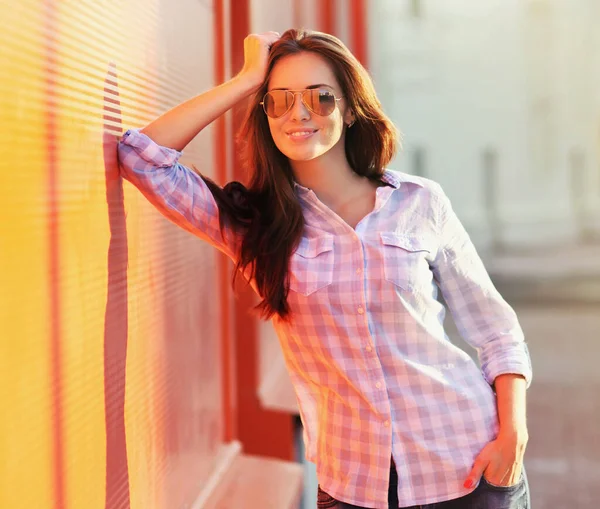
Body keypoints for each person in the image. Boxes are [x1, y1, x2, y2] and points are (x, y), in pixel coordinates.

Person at [117, 29, 532, 509]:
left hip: (468, 466)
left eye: (320, 97)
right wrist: (246, 79)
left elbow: (497, 330)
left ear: (351, 108)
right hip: (354, 485)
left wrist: (513, 434)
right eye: (280, 100)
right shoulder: (254, 225)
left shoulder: (420, 202)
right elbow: (141, 157)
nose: (299, 113)